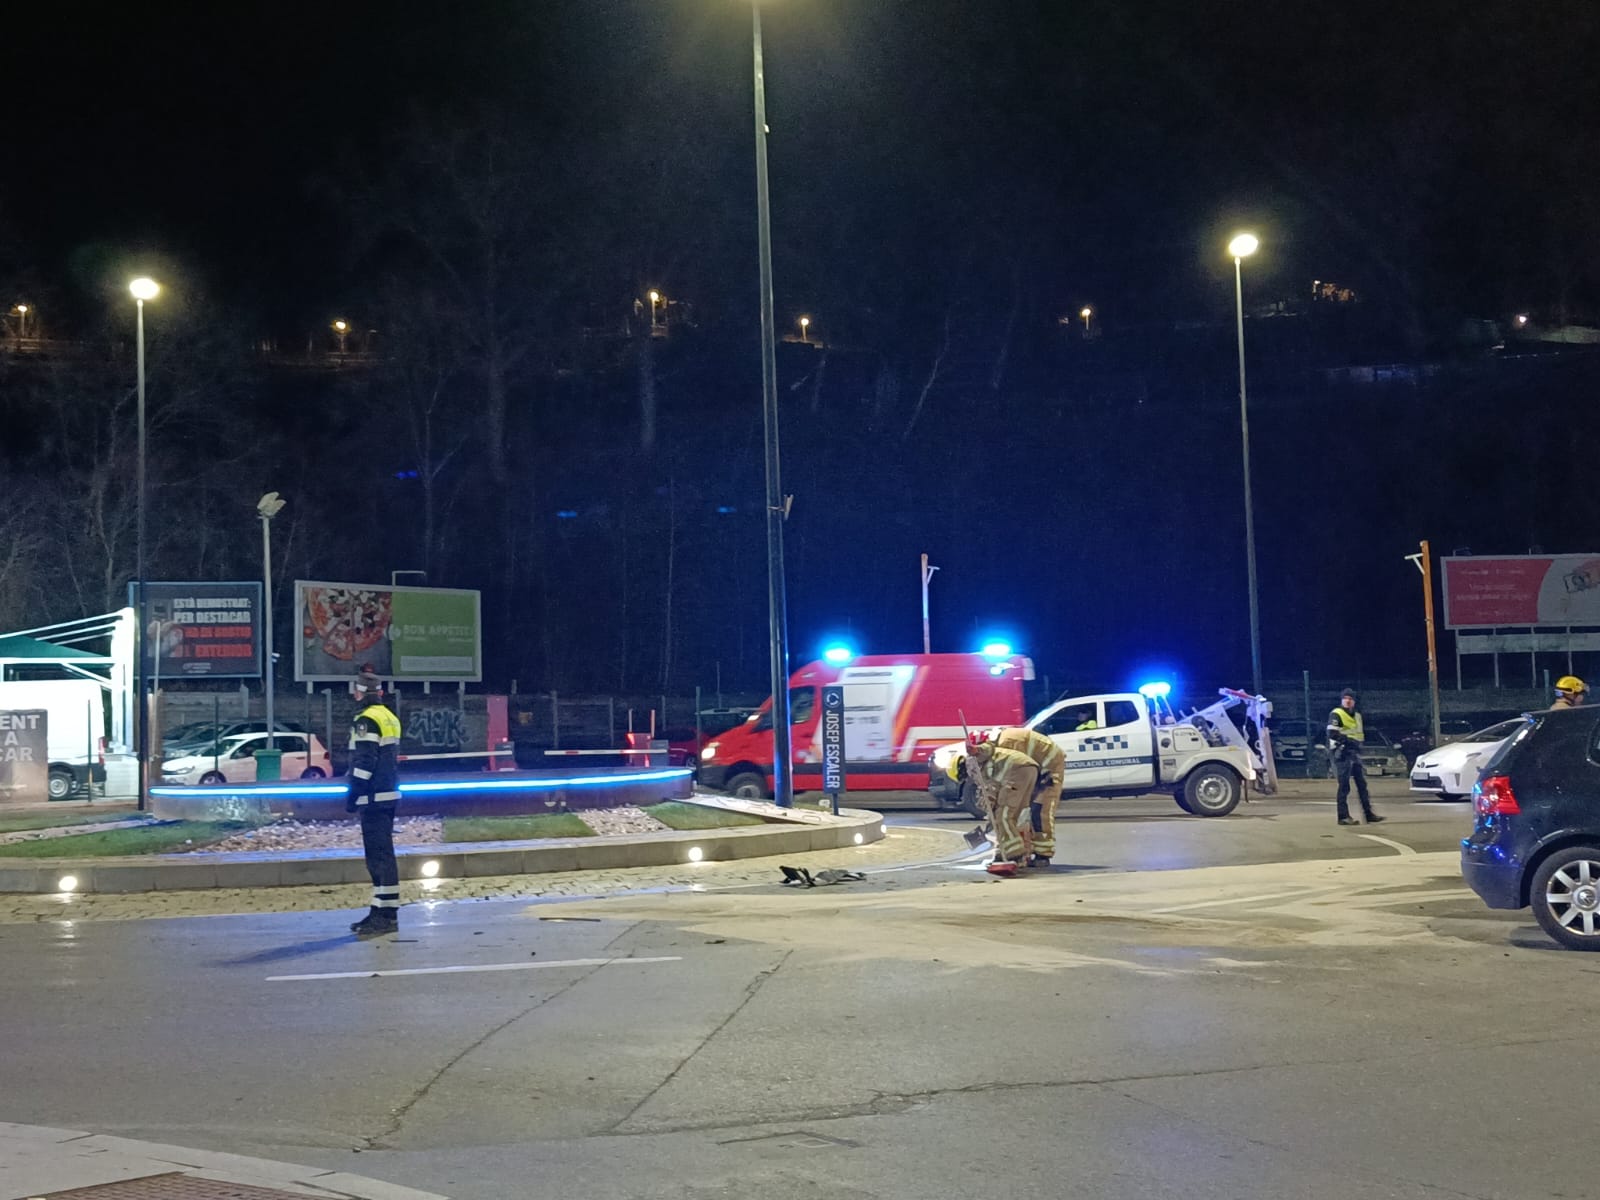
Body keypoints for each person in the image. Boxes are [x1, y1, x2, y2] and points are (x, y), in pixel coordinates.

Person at [346, 670, 402, 937]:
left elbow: (365, 762)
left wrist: (353, 794)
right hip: (388, 794)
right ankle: (381, 909)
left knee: (378, 859)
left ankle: (385, 916)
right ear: (379, 693)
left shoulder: (366, 720)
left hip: (372, 797)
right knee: (383, 856)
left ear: (359, 693)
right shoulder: (389, 716)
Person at [963, 736, 1040, 873]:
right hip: (1029, 769)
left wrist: (975, 750)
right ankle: (1020, 853)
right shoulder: (992, 761)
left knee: (1004, 815)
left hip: (1017, 771)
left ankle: (1014, 853)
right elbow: (994, 793)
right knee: (1018, 815)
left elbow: (987, 749)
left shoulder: (974, 759)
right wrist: (990, 820)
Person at [995, 725, 1066, 867]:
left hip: (1049, 769)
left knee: (1040, 810)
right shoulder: (1002, 743)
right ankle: (1018, 850)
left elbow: (1015, 770)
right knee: (1020, 809)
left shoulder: (1006, 745)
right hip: (1036, 768)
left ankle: (1043, 854)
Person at [1326, 688, 1382, 827]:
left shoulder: (1357, 716)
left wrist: (1358, 745)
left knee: (1362, 785)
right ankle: (1343, 816)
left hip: (1354, 752)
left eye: (1350, 698)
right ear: (1342, 700)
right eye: (1345, 698)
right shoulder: (1336, 714)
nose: (1348, 700)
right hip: (1342, 752)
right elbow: (1332, 733)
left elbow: (1359, 734)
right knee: (1344, 786)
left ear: (1354, 701)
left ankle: (1368, 814)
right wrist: (1348, 741)